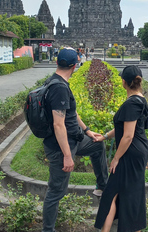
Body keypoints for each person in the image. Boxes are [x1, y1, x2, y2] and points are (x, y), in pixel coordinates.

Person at [42, 47, 108, 232]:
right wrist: (67, 156)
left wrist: (87, 131)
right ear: (75, 65)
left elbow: (72, 113)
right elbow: (58, 124)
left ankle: (102, 185)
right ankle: (48, 230)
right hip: (61, 147)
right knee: (56, 191)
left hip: (74, 139)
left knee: (97, 145)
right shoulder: (58, 88)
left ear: (57, 63)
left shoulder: (57, 82)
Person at [94, 65, 148, 232]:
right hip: (137, 151)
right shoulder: (140, 99)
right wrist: (105, 136)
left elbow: (128, 136)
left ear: (124, 82)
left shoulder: (131, 103)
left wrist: (116, 158)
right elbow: (124, 127)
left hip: (130, 153)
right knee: (128, 192)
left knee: (112, 192)